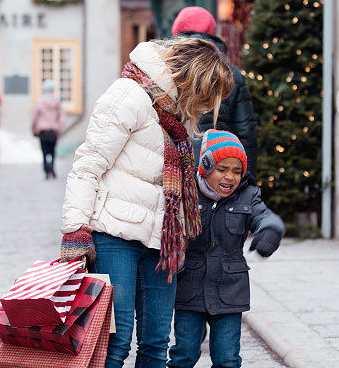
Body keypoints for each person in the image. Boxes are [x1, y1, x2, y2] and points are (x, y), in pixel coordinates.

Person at [61, 38, 234, 367]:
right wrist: (75, 229)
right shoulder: (129, 95)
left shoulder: (174, 112)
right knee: (117, 339)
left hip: (160, 240)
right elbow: (87, 166)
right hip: (114, 235)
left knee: (156, 341)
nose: (206, 108)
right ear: (191, 80)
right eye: (206, 97)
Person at [168, 130, 284, 368]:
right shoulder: (187, 193)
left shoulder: (248, 196)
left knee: (227, 358)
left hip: (230, 291)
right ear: (205, 167)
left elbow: (266, 217)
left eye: (236, 171)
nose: (230, 177)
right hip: (190, 290)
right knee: (184, 355)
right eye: (222, 169)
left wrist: (270, 230)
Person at [172, 6, 258, 171]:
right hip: (217, 169)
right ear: (211, 31)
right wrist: (247, 182)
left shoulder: (167, 69)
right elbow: (245, 132)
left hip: (174, 169)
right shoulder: (231, 74)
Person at [31, 79, 66, 179]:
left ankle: (46, 169)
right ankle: (52, 167)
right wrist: (58, 127)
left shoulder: (40, 102)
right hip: (53, 131)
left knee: (44, 151)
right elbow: (63, 117)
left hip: (42, 131)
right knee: (53, 151)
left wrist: (34, 128)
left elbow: (35, 117)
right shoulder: (57, 102)